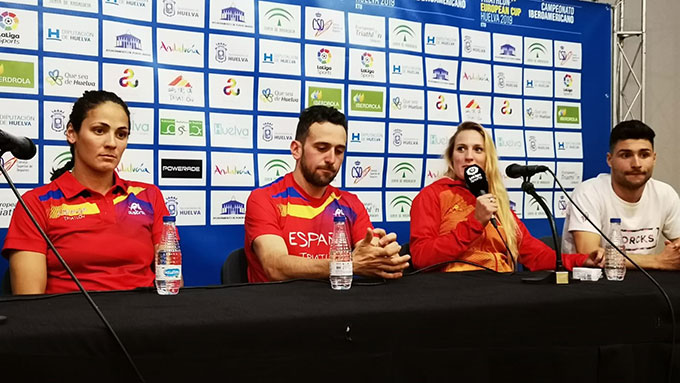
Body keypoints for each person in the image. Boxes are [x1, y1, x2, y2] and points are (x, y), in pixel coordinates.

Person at [2, 90, 169, 294]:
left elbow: (170, 282)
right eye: (99, 130)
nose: (112, 143)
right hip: (70, 323)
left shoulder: (149, 196)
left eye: (121, 134)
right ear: (72, 133)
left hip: (147, 320)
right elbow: (30, 304)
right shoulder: (36, 203)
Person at [244, 105, 410, 282]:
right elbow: (275, 267)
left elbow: (369, 256)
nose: (331, 159)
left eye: (339, 151)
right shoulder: (265, 199)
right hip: (279, 306)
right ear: (296, 150)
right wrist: (349, 264)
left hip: (337, 306)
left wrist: (384, 256)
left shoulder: (350, 204)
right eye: (322, 148)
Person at [410, 121, 603, 272]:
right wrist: (474, 223)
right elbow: (421, 257)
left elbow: (534, 255)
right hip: (454, 290)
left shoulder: (497, 201)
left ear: (488, 158)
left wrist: (582, 260)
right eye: (461, 149)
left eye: (478, 149)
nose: (469, 156)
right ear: (452, 157)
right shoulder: (433, 195)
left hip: (500, 288)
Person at [562, 120, 680, 269]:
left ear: (654, 159)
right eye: (626, 155)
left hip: (647, 283)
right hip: (591, 286)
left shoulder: (665, 194)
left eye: (644, 155)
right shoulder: (588, 193)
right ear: (610, 160)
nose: (636, 164)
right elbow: (590, 255)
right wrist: (658, 261)